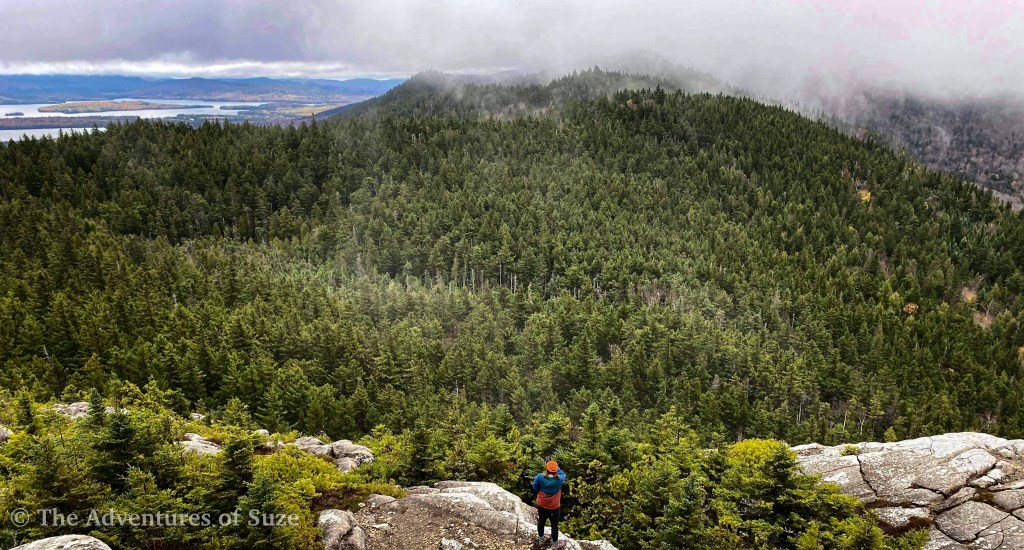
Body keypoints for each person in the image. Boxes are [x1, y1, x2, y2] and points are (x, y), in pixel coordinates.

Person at [532, 459, 566, 548]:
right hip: (554, 506)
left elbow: (535, 488)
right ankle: (555, 544)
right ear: (556, 470)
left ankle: (541, 539)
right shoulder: (560, 479)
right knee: (554, 525)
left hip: (542, 504)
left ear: (547, 469)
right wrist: (554, 466)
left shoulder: (540, 477)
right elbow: (562, 473)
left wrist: (548, 464)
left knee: (541, 522)